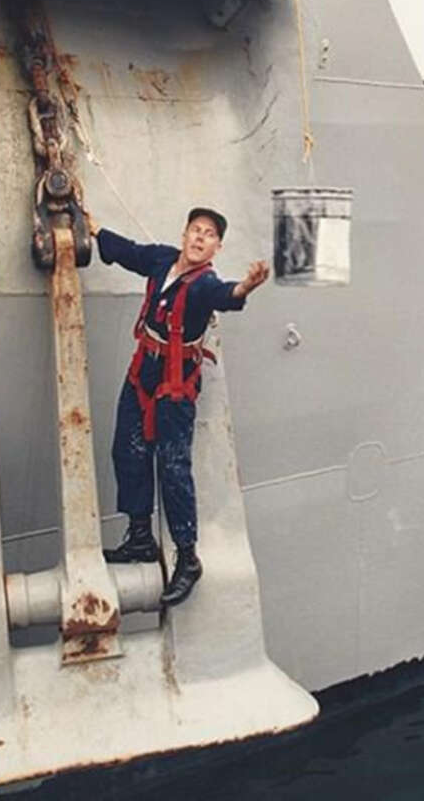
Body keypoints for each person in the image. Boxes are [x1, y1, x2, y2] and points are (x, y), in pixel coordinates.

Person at [90, 207, 269, 606]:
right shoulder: (161, 259)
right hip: (142, 373)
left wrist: (246, 287)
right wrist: (93, 227)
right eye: (195, 230)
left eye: (209, 235)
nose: (199, 238)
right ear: (185, 233)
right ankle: (139, 537)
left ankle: (187, 557)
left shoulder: (205, 284)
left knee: (173, 465)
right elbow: (129, 251)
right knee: (128, 450)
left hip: (174, 384)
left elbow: (226, 296)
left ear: (216, 248)